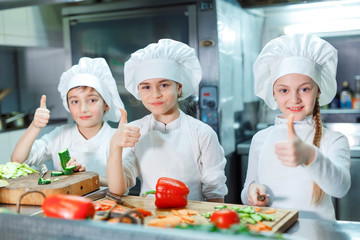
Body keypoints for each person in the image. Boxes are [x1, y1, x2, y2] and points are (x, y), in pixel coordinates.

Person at [240, 34, 351, 220]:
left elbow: (341, 187)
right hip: (272, 231)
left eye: (304, 89)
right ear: (273, 94)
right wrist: (251, 191)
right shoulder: (260, 139)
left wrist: (309, 156)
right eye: (284, 90)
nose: (294, 99)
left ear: (318, 91)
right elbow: (247, 191)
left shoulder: (333, 140)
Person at [107, 39, 228, 202]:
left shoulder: (202, 133)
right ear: (138, 91)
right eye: (146, 87)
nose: (155, 94)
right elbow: (117, 190)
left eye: (163, 85)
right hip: (149, 219)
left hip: (191, 220)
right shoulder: (136, 131)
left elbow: (215, 193)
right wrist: (115, 146)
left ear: (179, 87)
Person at [11, 57, 124, 186]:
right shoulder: (61, 134)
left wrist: (84, 177)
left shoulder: (118, 138)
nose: (83, 109)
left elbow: (122, 185)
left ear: (106, 104)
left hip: (108, 205)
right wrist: (35, 126)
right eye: (75, 102)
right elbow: (17, 160)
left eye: (92, 100)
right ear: (68, 106)